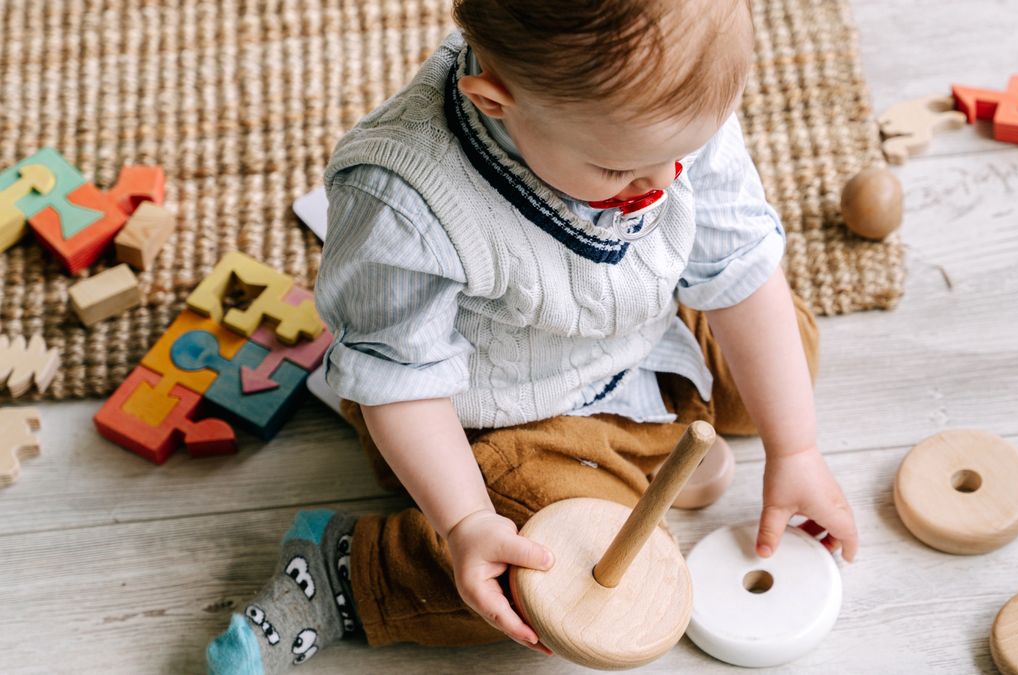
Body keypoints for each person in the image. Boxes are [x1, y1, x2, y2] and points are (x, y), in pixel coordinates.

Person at [207, 1, 858, 671]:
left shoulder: (661, 116)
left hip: (636, 335)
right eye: (621, 170)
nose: (664, 181)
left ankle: (657, 430)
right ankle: (346, 571)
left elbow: (739, 265)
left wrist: (796, 447)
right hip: (488, 417)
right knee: (552, 571)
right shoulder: (404, 200)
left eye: (683, 153)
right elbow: (401, 384)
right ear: (495, 102)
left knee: (787, 353)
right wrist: (464, 523)